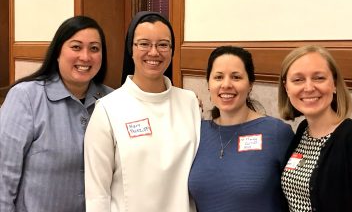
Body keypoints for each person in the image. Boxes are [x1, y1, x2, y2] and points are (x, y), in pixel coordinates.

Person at [84, 11, 201, 212]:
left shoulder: (189, 102)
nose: (154, 52)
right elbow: (97, 194)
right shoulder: (108, 109)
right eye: (144, 44)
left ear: (172, 51)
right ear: (131, 49)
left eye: (163, 44)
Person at [0, 15, 113, 212]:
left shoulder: (112, 100)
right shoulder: (26, 97)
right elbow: (4, 175)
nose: (85, 57)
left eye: (94, 48)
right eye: (76, 47)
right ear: (58, 52)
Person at [188, 46, 294, 212]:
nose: (226, 84)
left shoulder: (276, 133)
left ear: (250, 84)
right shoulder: (197, 132)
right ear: (208, 83)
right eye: (218, 77)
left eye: (236, 77)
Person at [278, 45, 352, 212]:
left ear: (335, 84)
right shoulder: (303, 130)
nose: (308, 88)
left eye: (319, 78)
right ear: (287, 88)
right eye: (298, 80)